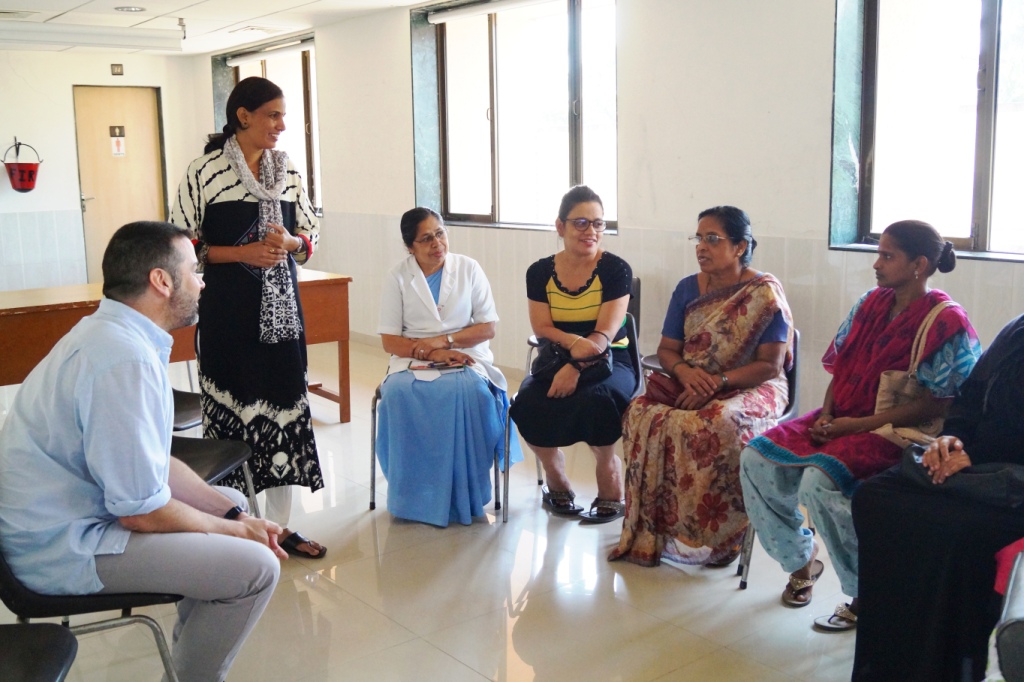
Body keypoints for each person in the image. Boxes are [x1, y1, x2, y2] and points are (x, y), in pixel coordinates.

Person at [0, 221, 284, 681]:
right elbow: (141, 512)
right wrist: (235, 532)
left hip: (73, 518)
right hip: (60, 548)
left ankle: (186, 659)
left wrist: (233, 517)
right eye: (193, 271)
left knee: (232, 501)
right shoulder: (122, 357)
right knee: (257, 568)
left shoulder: (114, 333)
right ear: (161, 280)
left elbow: (152, 461)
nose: (202, 282)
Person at [739, 219, 980, 630]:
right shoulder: (870, 303)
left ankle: (866, 593)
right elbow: (842, 365)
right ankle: (801, 563)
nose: (876, 264)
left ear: (919, 265)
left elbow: (938, 402)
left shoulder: (946, 321)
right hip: (844, 417)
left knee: (819, 483)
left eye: (887, 256)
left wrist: (855, 426)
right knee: (754, 459)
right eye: (878, 253)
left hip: (895, 431)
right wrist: (827, 415)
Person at [170, 76, 325, 558]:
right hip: (228, 316)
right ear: (243, 115)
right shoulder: (204, 171)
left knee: (284, 412)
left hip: (283, 320)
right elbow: (180, 244)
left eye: (283, 116)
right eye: (273, 115)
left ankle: (281, 527)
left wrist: (291, 243)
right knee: (233, 418)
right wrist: (239, 254)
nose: (282, 125)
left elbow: (311, 235)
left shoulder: (288, 169)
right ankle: (236, 523)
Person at [609, 206, 793, 567]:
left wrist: (717, 382)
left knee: (719, 423)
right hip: (692, 379)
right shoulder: (686, 288)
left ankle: (725, 535)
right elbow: (667, 349)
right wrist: (684, 372)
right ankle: (662, 527)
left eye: (712, 239)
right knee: (641, 413)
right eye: (699, 238)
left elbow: (770, 366)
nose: (701, 247)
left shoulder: (764, 293)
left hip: (752, 384)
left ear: (740, 246)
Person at [852, 312, 1024, 681]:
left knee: (953, 533)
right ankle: (884, 663)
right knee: (876, 498)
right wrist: (951, 439)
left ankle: (947, 666)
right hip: (973, 465)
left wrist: (976, 454)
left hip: (1011, 483)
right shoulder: (1018, 329)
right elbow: (970, 396)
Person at [376, 207, 522, 526]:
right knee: (398, 394)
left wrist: (446, 342)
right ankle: (411, 496)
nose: (437, 244)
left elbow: (487, 327)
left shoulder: (469, 268)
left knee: (473, 393)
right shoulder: (397, 277)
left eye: (440, 233)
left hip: (466, 353)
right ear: (410, 246)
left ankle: (466, 493)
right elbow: (390, 340)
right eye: (426, 238)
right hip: (412, 358)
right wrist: (431, 351)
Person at [508, 185, 636, 523]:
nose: (590, 231)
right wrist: (570, 350)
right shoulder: (539, 272)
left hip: (612, 360)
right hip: (555, 356)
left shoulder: (616, 269)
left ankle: (608, 470)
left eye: (598, 223)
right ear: (560, 226)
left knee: (599, 400)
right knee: (527, 403)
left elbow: (604, 334)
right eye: (581, 222)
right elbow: (542, 327)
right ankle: (555, 473)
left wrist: (576, 367)